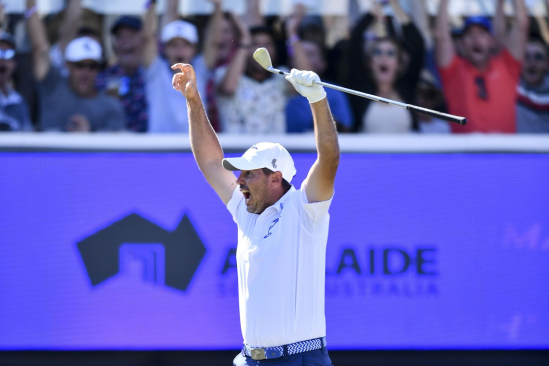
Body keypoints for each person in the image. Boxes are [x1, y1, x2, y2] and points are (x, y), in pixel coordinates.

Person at [172, 61, 338, 365]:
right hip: (250, 359)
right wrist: (194, 102)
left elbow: (329, 159)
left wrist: (317, 99)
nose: (238, 181)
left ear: (275, 177)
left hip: (300, 359)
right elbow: (211, 163)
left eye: (248, 174)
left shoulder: (305, 210)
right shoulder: (246, 210)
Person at [26, 0, 124, 132]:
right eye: (80, 65)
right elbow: (39, 47)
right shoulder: (53, 86)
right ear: (68, 65)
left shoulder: (111, 107)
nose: (86, 72)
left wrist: (87, 139)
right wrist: (29, 4)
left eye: (92, 66)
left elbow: (115, 150)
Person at [435, 0, 529, 133]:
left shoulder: (508, 65)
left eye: (482, 34)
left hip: (505, 152)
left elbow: (521, 25)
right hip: (465, 152)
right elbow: (441, 36)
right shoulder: (453, 71)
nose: (476, 39)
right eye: (470, 34)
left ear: (492, 41)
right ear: (462, 44)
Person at [345, 0, 424, 133]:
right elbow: (355, 40)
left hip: (406, 154)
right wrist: (374, 9)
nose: (384, 57)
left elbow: (418, 44)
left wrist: (395, 5)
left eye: (391, 53)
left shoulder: (407, 88)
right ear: (370, 63)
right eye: (377, 52)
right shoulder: (361, 91)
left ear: (399, 64)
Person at [143, 0, 214, 133]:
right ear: (164, 49)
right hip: (158, 148)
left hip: (196, 149)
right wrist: (151, 4)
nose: (179, 50)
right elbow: (147, 39)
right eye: (173, 45)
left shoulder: (200, 70)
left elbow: (213, 43)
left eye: (185, 44)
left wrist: (218, 7)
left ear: (195, 49)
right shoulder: (156, 70)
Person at [285, 39, 353, 133]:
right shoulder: (282, 89)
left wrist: (322, 117)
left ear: (322, 63)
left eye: (309, 54)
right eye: (299, 53)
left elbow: (347, 130)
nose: (302, 58)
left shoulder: (334, 92)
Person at [96, 15, 147, 132]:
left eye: (131, 36)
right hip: (113, 146)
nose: (125, 42)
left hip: (152, 146)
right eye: (119, 37)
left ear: (144, 40)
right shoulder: (104, 77)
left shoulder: (154, 74)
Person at [0, 32, 32, 132]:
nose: (3, 59)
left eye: (9, 54)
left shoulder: (20, 103)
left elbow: (27, 139)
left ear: (14, 64)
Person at [516, 38, 549, 132]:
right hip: (515, 146)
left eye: (538, 57)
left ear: (547, 64)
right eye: (526, 56)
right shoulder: (512, 85)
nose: (532, 62)